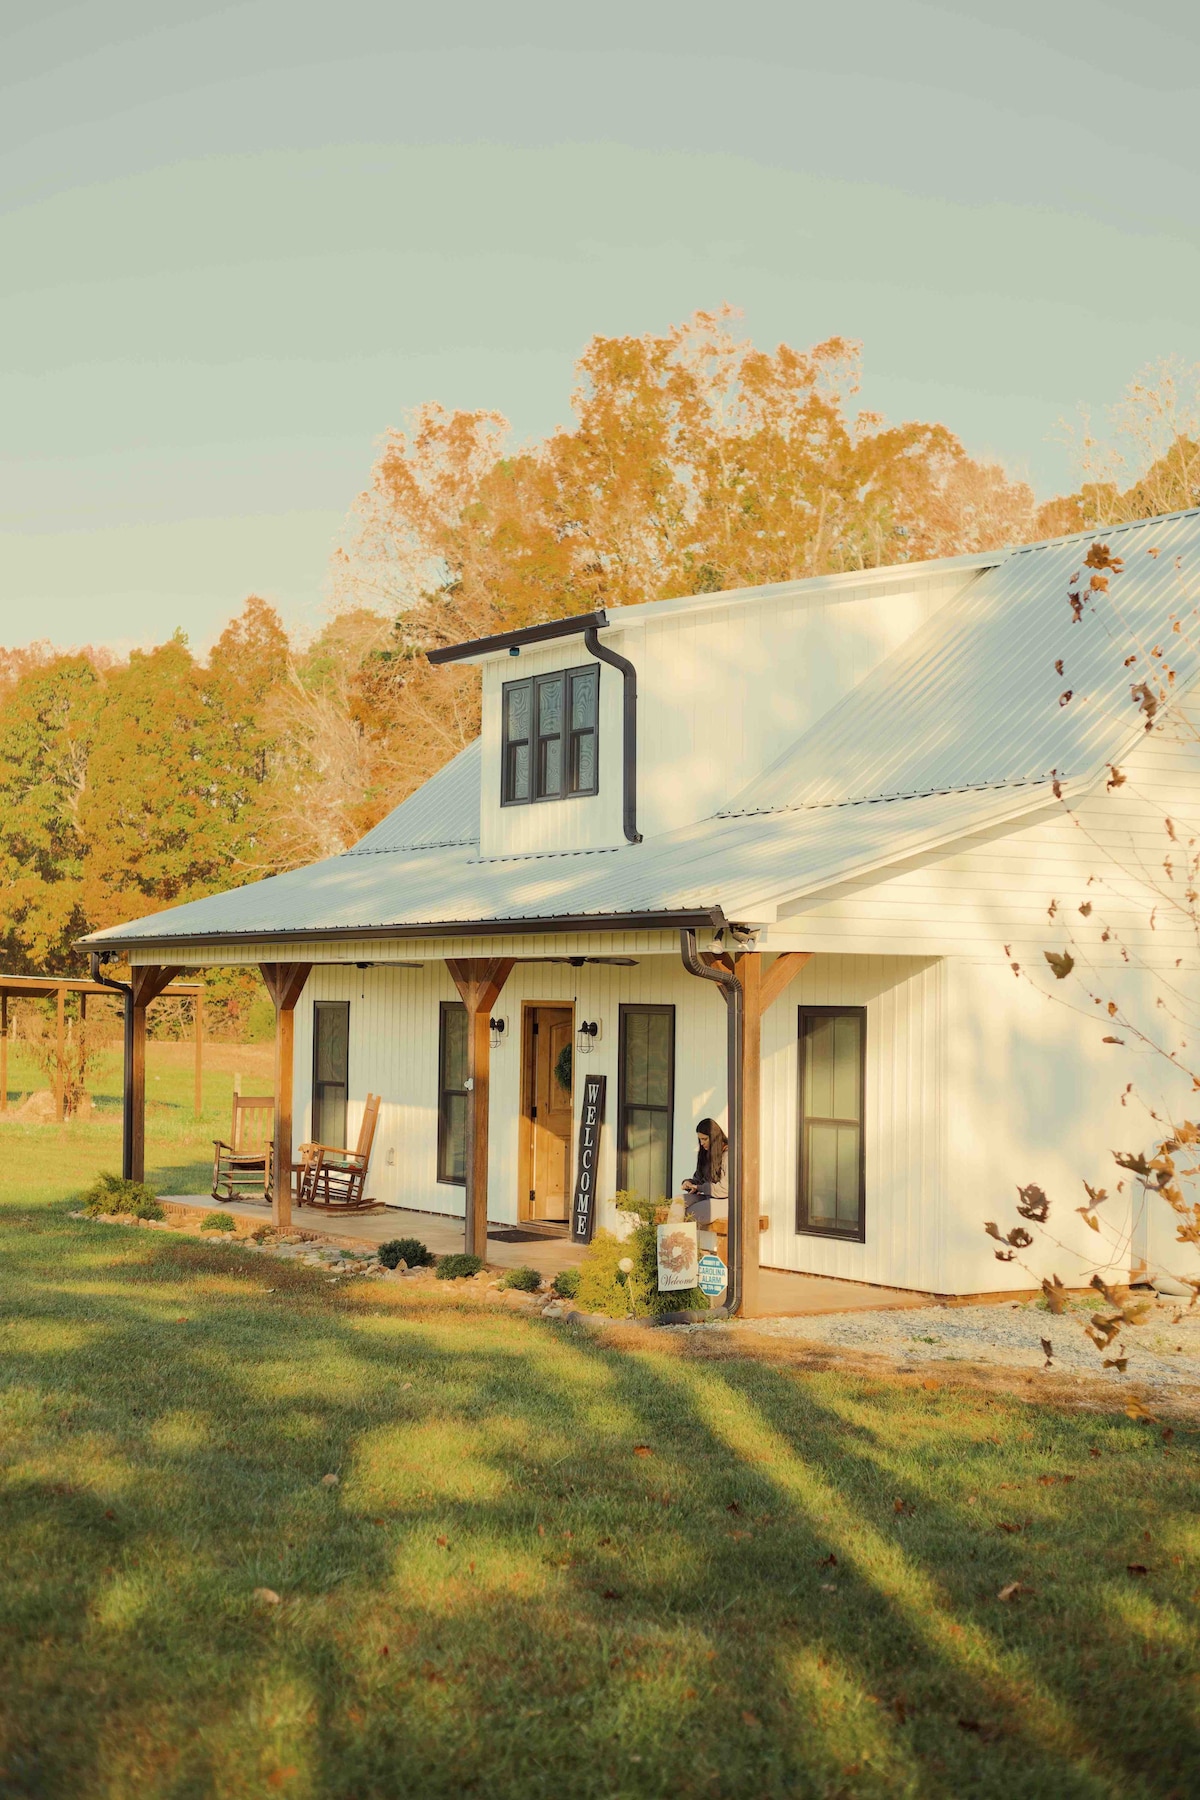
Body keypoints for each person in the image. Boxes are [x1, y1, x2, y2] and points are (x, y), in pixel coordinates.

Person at [681, 1117, 729, 1226]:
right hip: (708, 1197)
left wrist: (700, 1188)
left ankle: (679, 1241)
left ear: (714, 1138)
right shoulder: (705, 1153)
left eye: (704, 1139)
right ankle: (670, 1242)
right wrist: (689, 1183)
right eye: (700, 1139)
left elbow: (725, 1189)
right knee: (678, 1203)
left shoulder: (728, 1156)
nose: (702, 1143)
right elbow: (699, 1179)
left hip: (725, 1201)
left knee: (689, 1214)